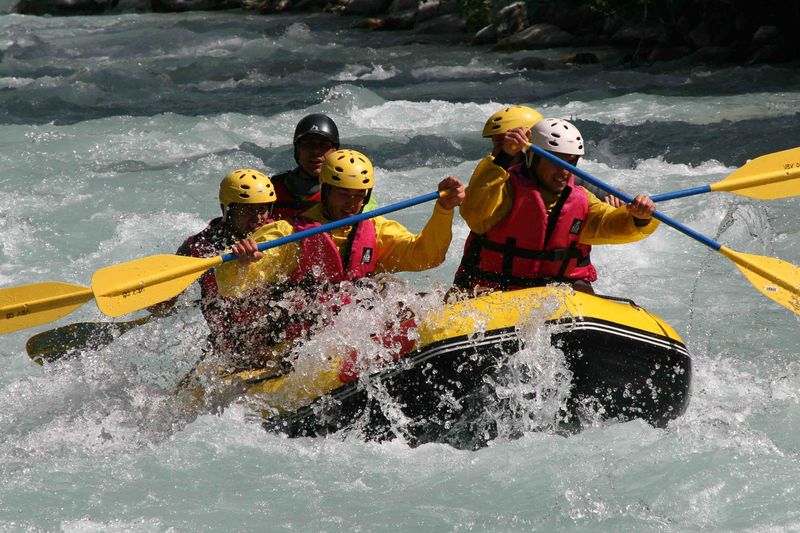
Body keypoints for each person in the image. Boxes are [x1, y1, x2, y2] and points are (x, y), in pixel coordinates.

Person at [214, 149, 465, 368]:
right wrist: (243, 263)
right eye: (344, 195)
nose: (352, 204)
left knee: (404, 298)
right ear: (325, 191)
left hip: (351, 331)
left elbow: (426, 257)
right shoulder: (287, 234)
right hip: (299, 345)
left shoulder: (375, 229)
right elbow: (232, 287)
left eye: (358, 196)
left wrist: (443, 211)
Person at [453, 118, 659, 294]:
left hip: (554, 296)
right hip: (494, 291)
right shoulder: (504, 190)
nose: (564, 172)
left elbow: (610, 223)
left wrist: (640, 217)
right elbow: (474, 212)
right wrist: (503, 156)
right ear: (533, 159)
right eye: (556, 162)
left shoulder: (582, 199)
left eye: (571, 163)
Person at [482, 106, 624, 286]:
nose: (497, 154)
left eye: (505, 145)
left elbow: (607, 196)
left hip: (558, 280)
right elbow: (477, 203)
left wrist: (620, 201)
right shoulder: (490, 180)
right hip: (500, 280)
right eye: (497, 146)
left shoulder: (564, 179)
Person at [148, 169, 277, 360]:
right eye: (247, 209)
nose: (257, 218)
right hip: (226, 343)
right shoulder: (197, 247)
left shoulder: (278, 235)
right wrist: (152, 293)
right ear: (227, 210)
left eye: (262, 209)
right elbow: (163, 307)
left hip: (274, 336)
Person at [270, 113, 376, 219]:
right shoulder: (273, 187)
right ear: (297, 150)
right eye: (308, 144)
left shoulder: (356, 194)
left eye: (324, 145)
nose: (316, 151)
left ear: (335, 151)